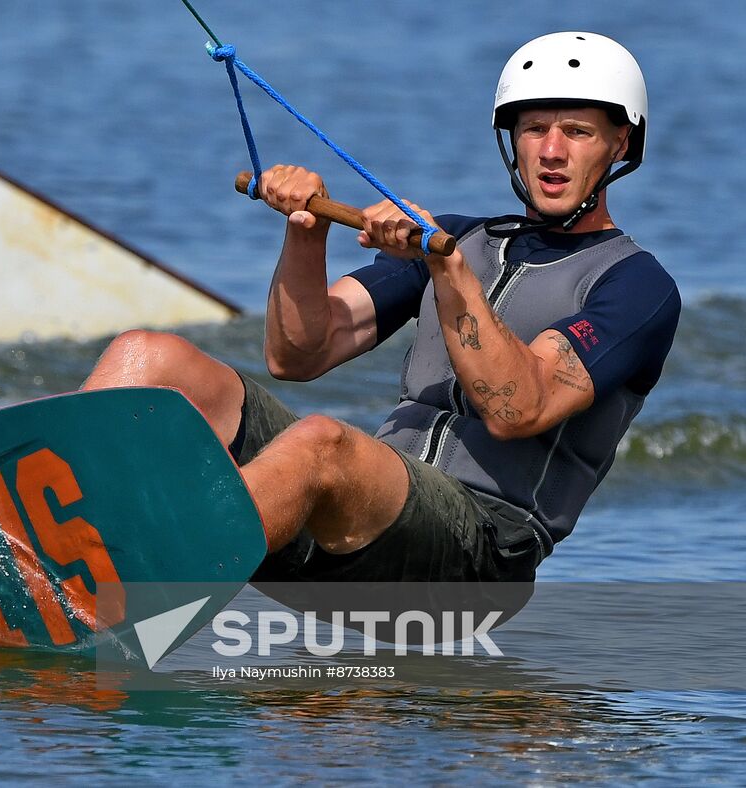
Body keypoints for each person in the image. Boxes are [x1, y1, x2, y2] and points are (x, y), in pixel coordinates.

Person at [82, 31, 680, 585]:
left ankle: (138, 582)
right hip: (362, 521)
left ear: (619, 143)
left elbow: (517, 408)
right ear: (512, 139)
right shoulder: (458, 237)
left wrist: (448, 271)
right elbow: (299, 354)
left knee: (323, 443)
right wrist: (306, 231)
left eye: (576, 131)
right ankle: (33, 537)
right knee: (149, 357)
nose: (551, 150)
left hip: (476, 557)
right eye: (534, 129)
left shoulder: (635, 285)